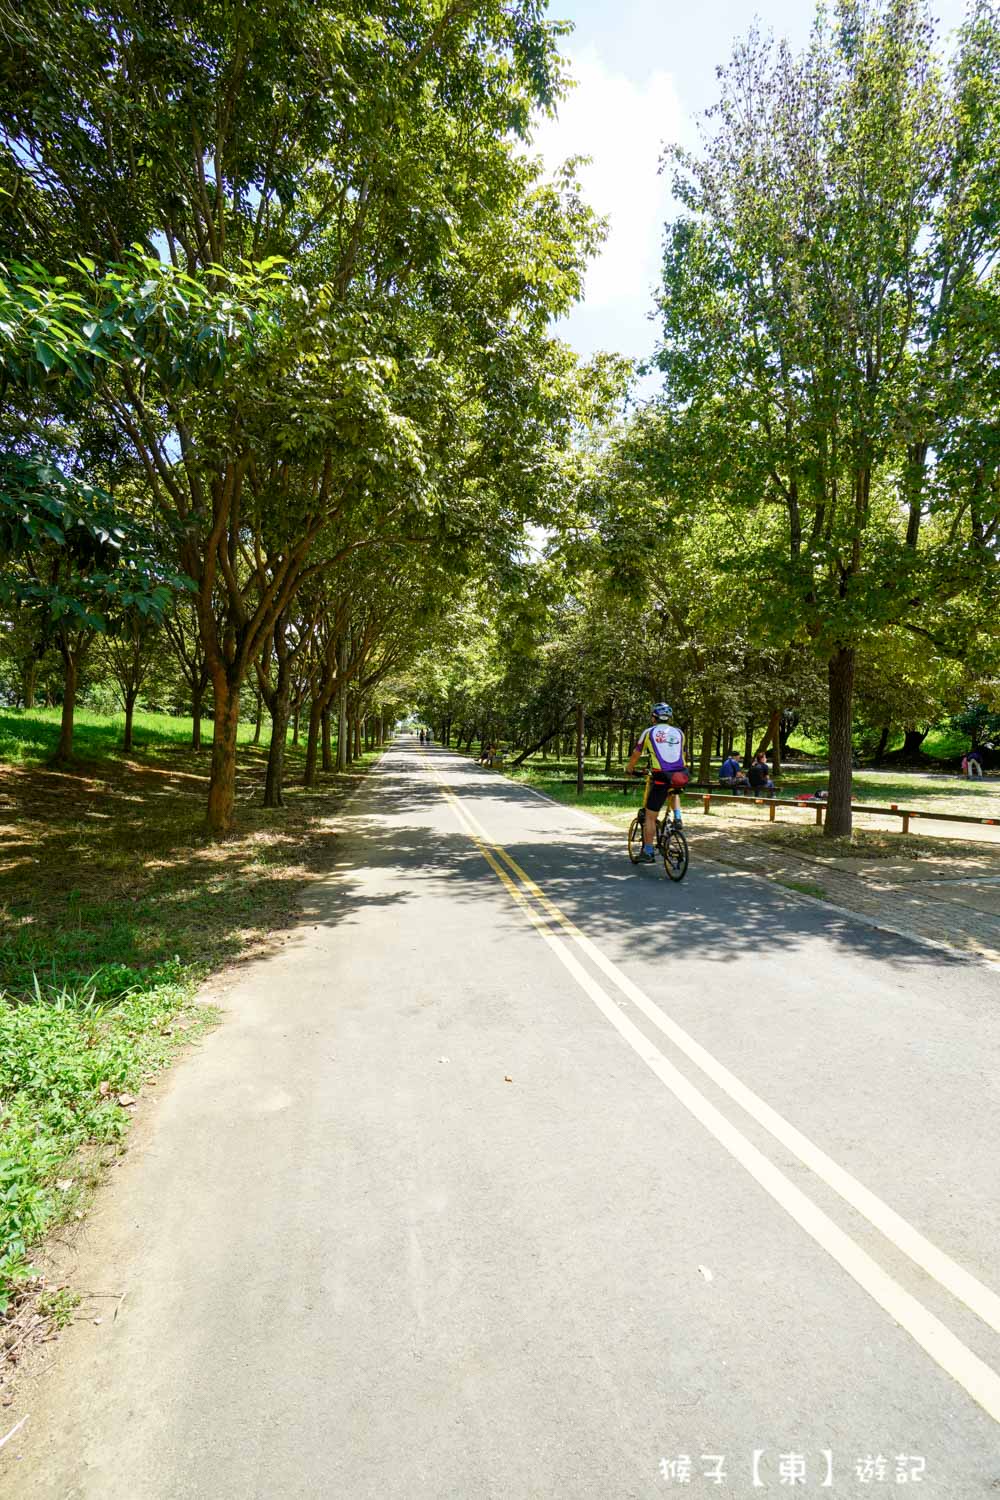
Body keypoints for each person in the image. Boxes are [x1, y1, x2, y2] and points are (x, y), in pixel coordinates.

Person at [625, 703, 689, 863]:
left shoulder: (649, 732)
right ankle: (678, 818)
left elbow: (636, 754)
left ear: (654, 717)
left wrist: (629, 769)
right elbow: (681, 754)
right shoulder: (680, 733)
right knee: (673, 790)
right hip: (681, 775)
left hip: (661, 775)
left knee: (650, 817)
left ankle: (648, 851)